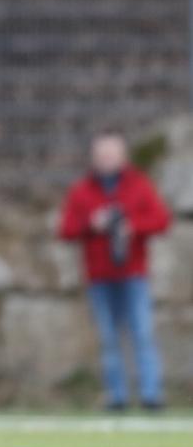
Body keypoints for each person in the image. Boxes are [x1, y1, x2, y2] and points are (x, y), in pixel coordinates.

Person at [59, 129, 171, 411]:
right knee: (108, 338)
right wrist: (91, 224)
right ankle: (117, 396)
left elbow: (161, 220)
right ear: (94, 157)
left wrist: (132, 226)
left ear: (123, 155)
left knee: (142, 333)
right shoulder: (82, 190)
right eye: (101, 154)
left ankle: (151, 395)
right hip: (99, 277)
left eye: (112, 153)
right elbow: (66, 229)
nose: (107, 158)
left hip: (133, 274)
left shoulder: (139, 185)